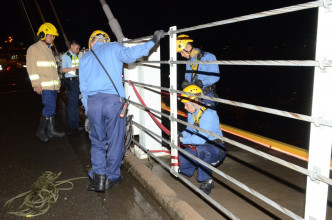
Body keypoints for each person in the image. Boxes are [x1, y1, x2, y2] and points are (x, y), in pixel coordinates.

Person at [79, 29, 165, 192]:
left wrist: (88, 110)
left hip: (93, 103)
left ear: (92, 43)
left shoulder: (85, 58)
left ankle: (99, 179)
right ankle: (112, 176)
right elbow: (133, 54)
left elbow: (82, 88)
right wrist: (153, 41)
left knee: (97, 141)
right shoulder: (114, 47)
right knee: (115, 140)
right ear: (106, 40)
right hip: (113, 102)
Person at [178, 85, 226, 195]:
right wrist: (180, 135)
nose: (185, 108)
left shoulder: (209, 114)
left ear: (195, 101)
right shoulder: (192, 113)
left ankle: (207, 180)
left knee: (202, 150)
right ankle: (199, 165)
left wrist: (182, 140)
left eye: (187, 104)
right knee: (181, 162)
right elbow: (189, 130)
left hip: (215, 149)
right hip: (200, 146)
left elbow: (200, 139)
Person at [26, 22, 65, 142]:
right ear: (43, 35)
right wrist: (36, 84)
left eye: (53, 36)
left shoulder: (49, 50)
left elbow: (53, 69)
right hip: (44, 85)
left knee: (52, 109)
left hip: (53, 86)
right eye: (50, 35)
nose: (52, 38)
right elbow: (31, 68)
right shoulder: (34, 48)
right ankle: (40, 131)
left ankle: (52, 131)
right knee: (49, 107)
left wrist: (58, 84)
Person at [177, 34, 220, 107]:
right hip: (192, 94)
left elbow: (215, 77)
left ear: (188, 47)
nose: (182, 55)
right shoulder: (189, 62)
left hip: (206, 94)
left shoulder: (209, 57)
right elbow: (187, 75)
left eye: (182, 52)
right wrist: (186, 84)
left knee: (206, 116)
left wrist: (201, 83)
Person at [61, 40, 84, 132]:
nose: (78, 50)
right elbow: (63, 70)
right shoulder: (66, 56)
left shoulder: (75, 56)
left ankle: (76, 122)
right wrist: (75, 68)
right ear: (72, 46)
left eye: (79, 49)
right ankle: (73, 124)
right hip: (71, 82)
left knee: (75, 103)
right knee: (72, 104)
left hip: (76, 81)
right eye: (77, 48)